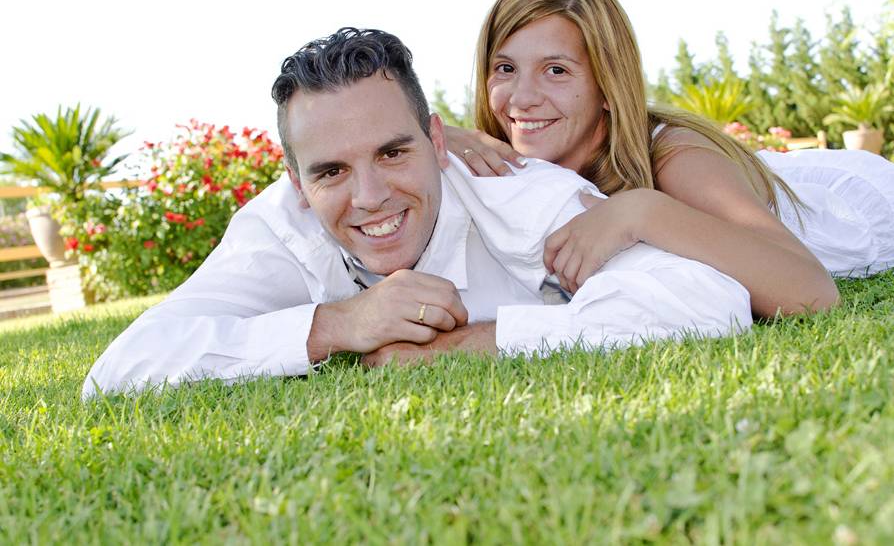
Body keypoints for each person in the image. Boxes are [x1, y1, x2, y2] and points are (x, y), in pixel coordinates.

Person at [82, 28, 751, 399]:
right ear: (294, 181)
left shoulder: (514, 195)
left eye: (394, 152)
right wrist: (337, 325)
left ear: (438, 141)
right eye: (332, 171)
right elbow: (118, 371)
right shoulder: (277, 229)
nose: (369, 197)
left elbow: (708, 298)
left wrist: (460, 349)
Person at [446, 0, 894, 319]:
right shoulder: (496, 156)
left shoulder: (674, 157)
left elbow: (811, 292)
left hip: (856, 198)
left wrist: (641, 211)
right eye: (505, 68)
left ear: (607, 85)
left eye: (556, 70)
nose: (521, 98)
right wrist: (436, 136)